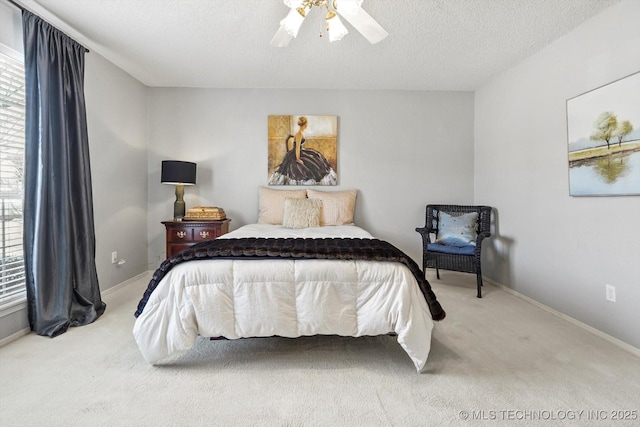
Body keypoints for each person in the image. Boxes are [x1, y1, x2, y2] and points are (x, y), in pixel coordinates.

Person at [268, 116, 337, 185]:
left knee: (316, 157)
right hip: (297, 153)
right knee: (306, 165)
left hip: (301, 151)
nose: (307, 125)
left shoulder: (300, 133)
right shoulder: (299, 134)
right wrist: (298, 159)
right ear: (304, 124)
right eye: (306, 124)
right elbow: (297, 147)